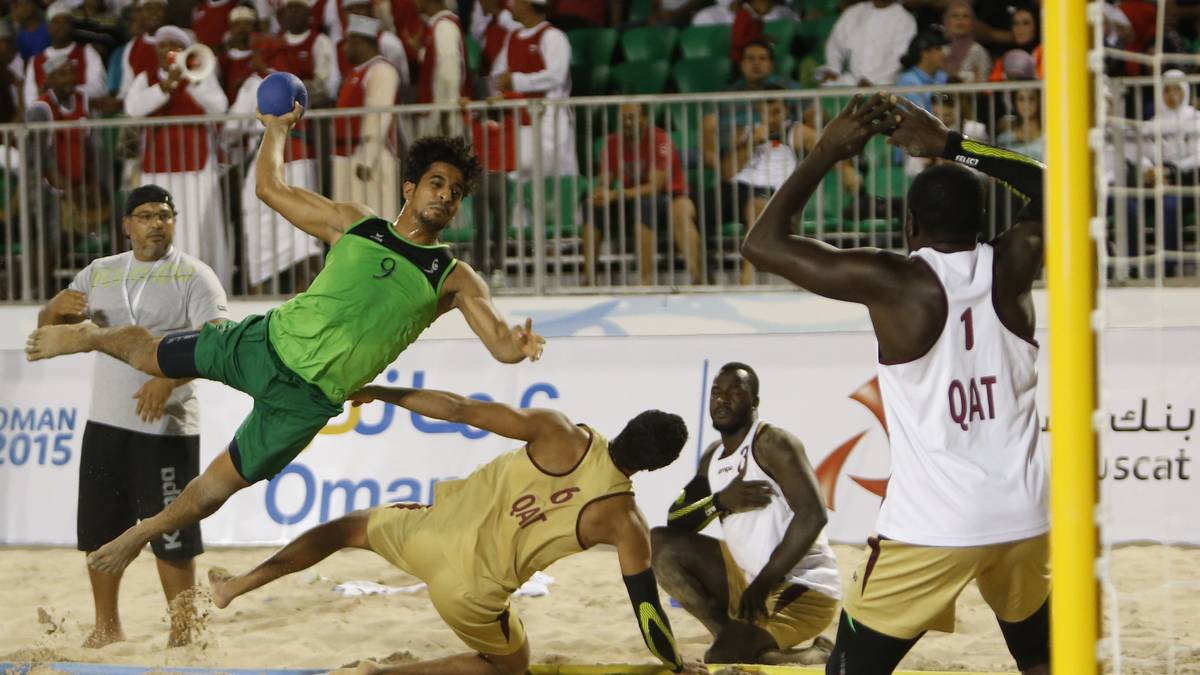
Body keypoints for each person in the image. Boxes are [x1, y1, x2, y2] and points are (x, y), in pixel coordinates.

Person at [26, 126, 546, 578]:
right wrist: (275, 128)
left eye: (456, 192)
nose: (446, 196)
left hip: (307, 402)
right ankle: (89, 336)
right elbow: (269, 187)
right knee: (148, 355)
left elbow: (500, 344)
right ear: (410, 188)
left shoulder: (453, 277)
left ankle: (137, 537)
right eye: (437, 183)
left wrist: (518, 346)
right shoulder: (356, 223)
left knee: (214, 490)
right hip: (263, 344)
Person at [742, 94, 1049, 675]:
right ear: (983, 223)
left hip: (931, 527)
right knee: (1039, 657)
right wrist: (953, 145)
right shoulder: (1015, 262)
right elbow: (1058, 188)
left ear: (910, 226)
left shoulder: (894, 281)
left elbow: (762, 244)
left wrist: (828, 151)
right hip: (1024, 513)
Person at [208, 384, 707, 675]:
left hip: (427, 532)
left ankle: (235, 586)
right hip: (470, 594)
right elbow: (648, 613)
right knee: (510, 667)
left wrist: (385, 392)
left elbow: (458, 411)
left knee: (343, 529)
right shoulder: (627, 523)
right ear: (657, 467)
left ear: (626, 426)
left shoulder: (556, 429)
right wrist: (675, 661)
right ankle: (381, 674)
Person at [35, 185, 227, 649]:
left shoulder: (194, 276)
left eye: (164, 215)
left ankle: (182, 635)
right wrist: (51, 311)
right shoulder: (100, 272)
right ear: (126, 225)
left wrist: (167, 379)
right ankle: (106, 628)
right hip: (106, 421)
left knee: (173, 535)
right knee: (100, 528)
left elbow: (217, 343)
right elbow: (47, 332)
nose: (156, 223)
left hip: (167, 428)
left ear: (174, 221)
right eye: (145, 216)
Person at [652, 362, 840, 666]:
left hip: (802, 586)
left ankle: (816, 656)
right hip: (750, 581)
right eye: (716, 392)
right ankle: (732, 637)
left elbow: (813, 516)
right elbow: (677, 520)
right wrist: (720, 502)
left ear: (754, 402)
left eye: (734, 392)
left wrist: (764, 583)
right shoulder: (712, 456)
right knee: (661, 544)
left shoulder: (773, 443)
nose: (722, 399)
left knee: (721, 658)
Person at [124, 25, 232, 290]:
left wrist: (189, 80)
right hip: (158, 170)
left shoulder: (200, 76)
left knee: (197, 229)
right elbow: (133, 109)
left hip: (196, 167)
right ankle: (163, 286)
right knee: (159, 230)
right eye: (162, 45)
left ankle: (200, 286)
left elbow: (219, 106)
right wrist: (165, 87)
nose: (167, 51)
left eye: (174, 46)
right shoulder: (146, 78)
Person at [584, 102, 704, 286]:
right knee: (593, 207)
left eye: (632, 117)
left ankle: (646, 280)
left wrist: (615, 195)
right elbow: (605, 181)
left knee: (646, 204)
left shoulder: (660, 140)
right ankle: (588, 280)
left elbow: (654, 187)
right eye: (623, 118)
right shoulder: (612, 143)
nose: (627, 122)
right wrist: (600, 193)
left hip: (667, 197)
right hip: (631, 197)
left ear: (645, 118)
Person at [227, 65, 324, 294]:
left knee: (297, 236)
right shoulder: (299, 82)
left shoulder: (254, 83)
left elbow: (231, 129)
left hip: (278, 159)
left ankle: (263, 299)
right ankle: (315, 295)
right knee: (304, 231)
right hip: (299, 160)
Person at [490, 0, 577, 177]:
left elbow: (555, 76)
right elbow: (498, 73)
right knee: (523, 180)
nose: (510, 5)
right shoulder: (512, 37)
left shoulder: (554, 37)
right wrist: (502, 88)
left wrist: (515, 81)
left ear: (527, 5)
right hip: (520, 121)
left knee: (556, 179)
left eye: (515, 2)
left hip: (550, 121)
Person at [333, 14, 403, 219]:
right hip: (349, 156)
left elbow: (378, 116)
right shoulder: (356, 72)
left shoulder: (381, 70)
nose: (344, 48)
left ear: (359, 41)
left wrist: (366, 159)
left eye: (348, 42)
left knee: (375, 220)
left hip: (371, 159)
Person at [24, 1, 110, 109]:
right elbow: (30, 101)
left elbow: (100, 88)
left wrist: (62, 92)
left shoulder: (87, 51)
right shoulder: (35, 61)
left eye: (65, 22)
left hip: (82, 121)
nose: (61, 26)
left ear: (72, 26)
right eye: (56, 22)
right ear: (49, 27)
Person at [817, 0, 916, 87]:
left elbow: (899, 59)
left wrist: (871, 80)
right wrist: (833, 68)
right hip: (852, 84)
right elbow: (835, 44)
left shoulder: (905, 20)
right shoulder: (854, 13)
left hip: (886, 85)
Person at [413, 0, 468, 138]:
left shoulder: (444, 26)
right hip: (438, 116)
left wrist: (446, 112)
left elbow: (449, 73)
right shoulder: (438, 26)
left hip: (442, 121)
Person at [269, 0, 339, 106]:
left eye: (298, 8)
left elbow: (324, 85)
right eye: (289, 8)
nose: (293, 12)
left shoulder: (321, 41)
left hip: (310, 106)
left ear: (308, 13)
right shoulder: (274, 43)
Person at [116, 0, 167, 98]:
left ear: (166, 11)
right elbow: (127, 88)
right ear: (140, 13)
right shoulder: (132, 47)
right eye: (148, 8)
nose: (154, 12)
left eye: (158, 8)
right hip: (143, 108)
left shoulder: (182, 39)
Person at [895, 29, 949, 112]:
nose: (943, 54)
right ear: (925, 52)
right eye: (938, 49)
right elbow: (918, 115)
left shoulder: (942, 76)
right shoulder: (908, 81)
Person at [941, 0, 991, 84]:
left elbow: (984, 84)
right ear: (947, 21)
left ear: (972, 22)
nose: (960, 20)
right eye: (955, 16)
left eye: (966, 16)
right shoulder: (941, 51)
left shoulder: (978, 51)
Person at [997, 88, 1043, 162]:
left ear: (1039, 101)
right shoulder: (1005, 137)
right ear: (1015, 103)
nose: (1026, 104)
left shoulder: (1049, 135)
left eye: (1031, 99)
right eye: (1021, 99)